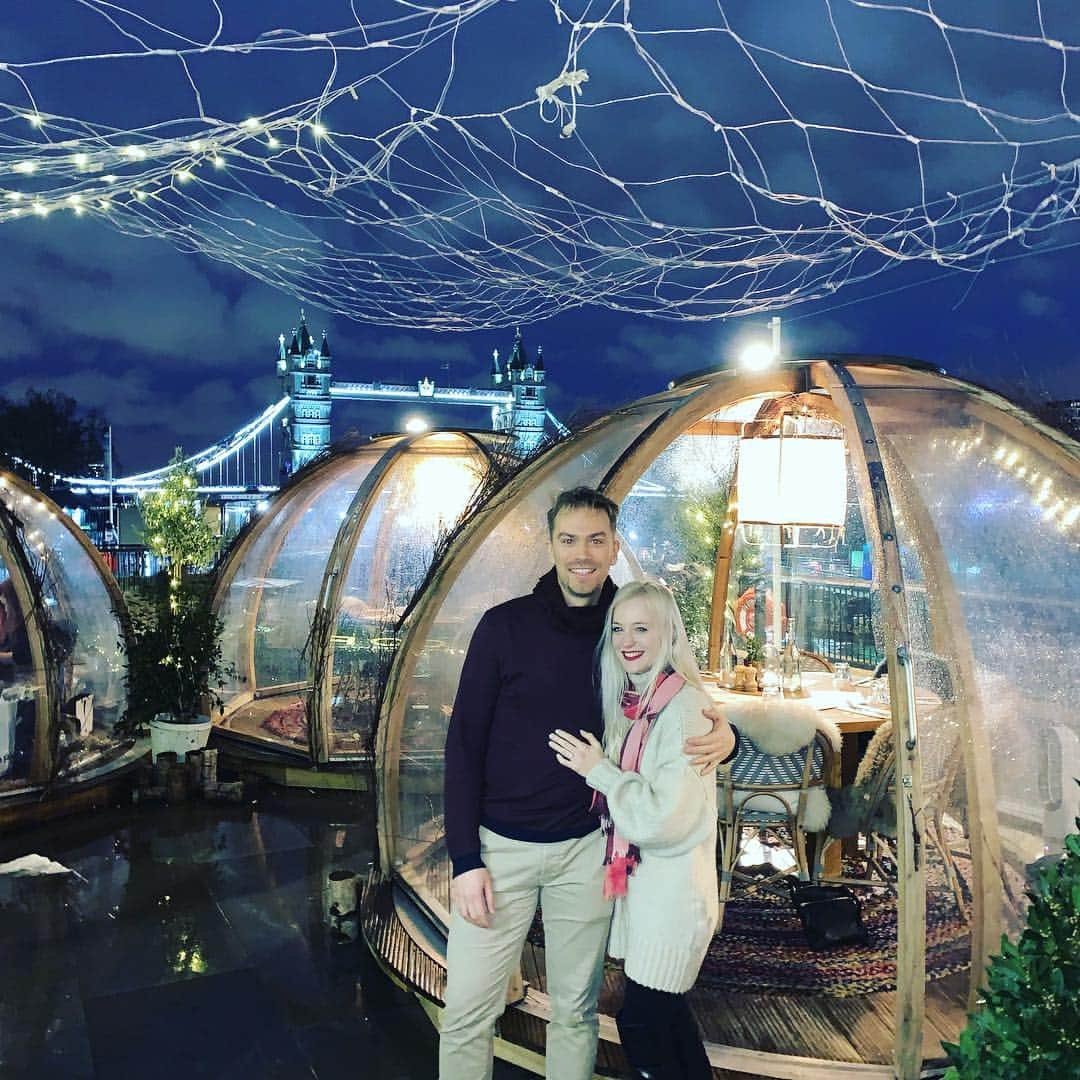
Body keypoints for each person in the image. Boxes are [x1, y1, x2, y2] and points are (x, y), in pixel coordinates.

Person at [440, 487, 735, 1080]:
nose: (583, 553)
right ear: (550, 545)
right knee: (467, 1012)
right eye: (569, 539)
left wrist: (730, 738)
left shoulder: (625, 627)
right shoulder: (504, 628)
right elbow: (464, 745)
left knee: (575, 1013)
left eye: (596, 540)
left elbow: (674, 696)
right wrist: (465, 858)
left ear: (613, 546)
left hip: (588, 851)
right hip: (502, 853)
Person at [549, 578, 736, 1079]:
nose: (626, 640)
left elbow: (662, 819)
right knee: (664, 1020)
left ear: (668, 634)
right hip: (651, 895)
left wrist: (599, 770)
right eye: (617, 629)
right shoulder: (639, 703)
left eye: (641, 628)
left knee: (643, 1023)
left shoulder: (683, 708)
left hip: (672, 898)